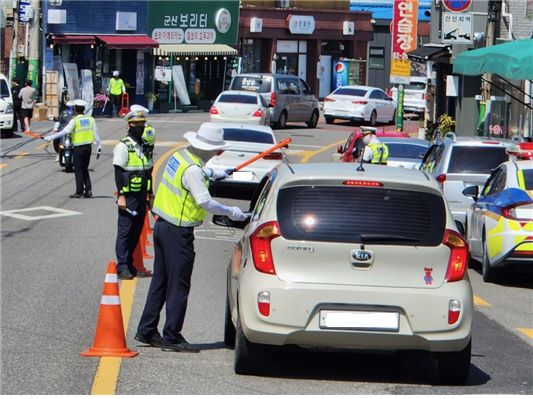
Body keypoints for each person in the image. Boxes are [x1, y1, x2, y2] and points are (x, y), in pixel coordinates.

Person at [136, 122, 247, 353]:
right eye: (218, 150)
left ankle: (147, 330)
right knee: (178, 285)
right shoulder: (194, 170)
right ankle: (171, 337)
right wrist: (232, 211)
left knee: (161, 282)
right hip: (178, 232)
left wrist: (213, 172)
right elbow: (205, 202)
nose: (219, 153)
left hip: (162, 226)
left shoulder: (181, 157)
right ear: (211, 150)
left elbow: (194, 174)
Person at [113, 106, 154, 280]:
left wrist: (150, 195)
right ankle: (122, 266)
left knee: (136, 231)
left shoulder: (144, 147)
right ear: (128, 126)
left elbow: (148, 172)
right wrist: (121, 195)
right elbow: (118, 171)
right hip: (128, 197)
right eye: (136, 124)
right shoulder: (123, 146)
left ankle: (130, 264)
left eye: (142, 124)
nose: (140, 127)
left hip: (141, 196)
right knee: (125, 231)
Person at [42, 100, 102, 198]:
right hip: (88, 148)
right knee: (85, 169)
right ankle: (88, 190)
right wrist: (99, 145)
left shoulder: (74, 121)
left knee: (78, 169)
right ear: (84, 109)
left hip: (78, 148)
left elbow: (64, 132)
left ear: (75, 109)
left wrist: (50, 137)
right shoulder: (91, 119)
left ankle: (79, 191)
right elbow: (96, 133)